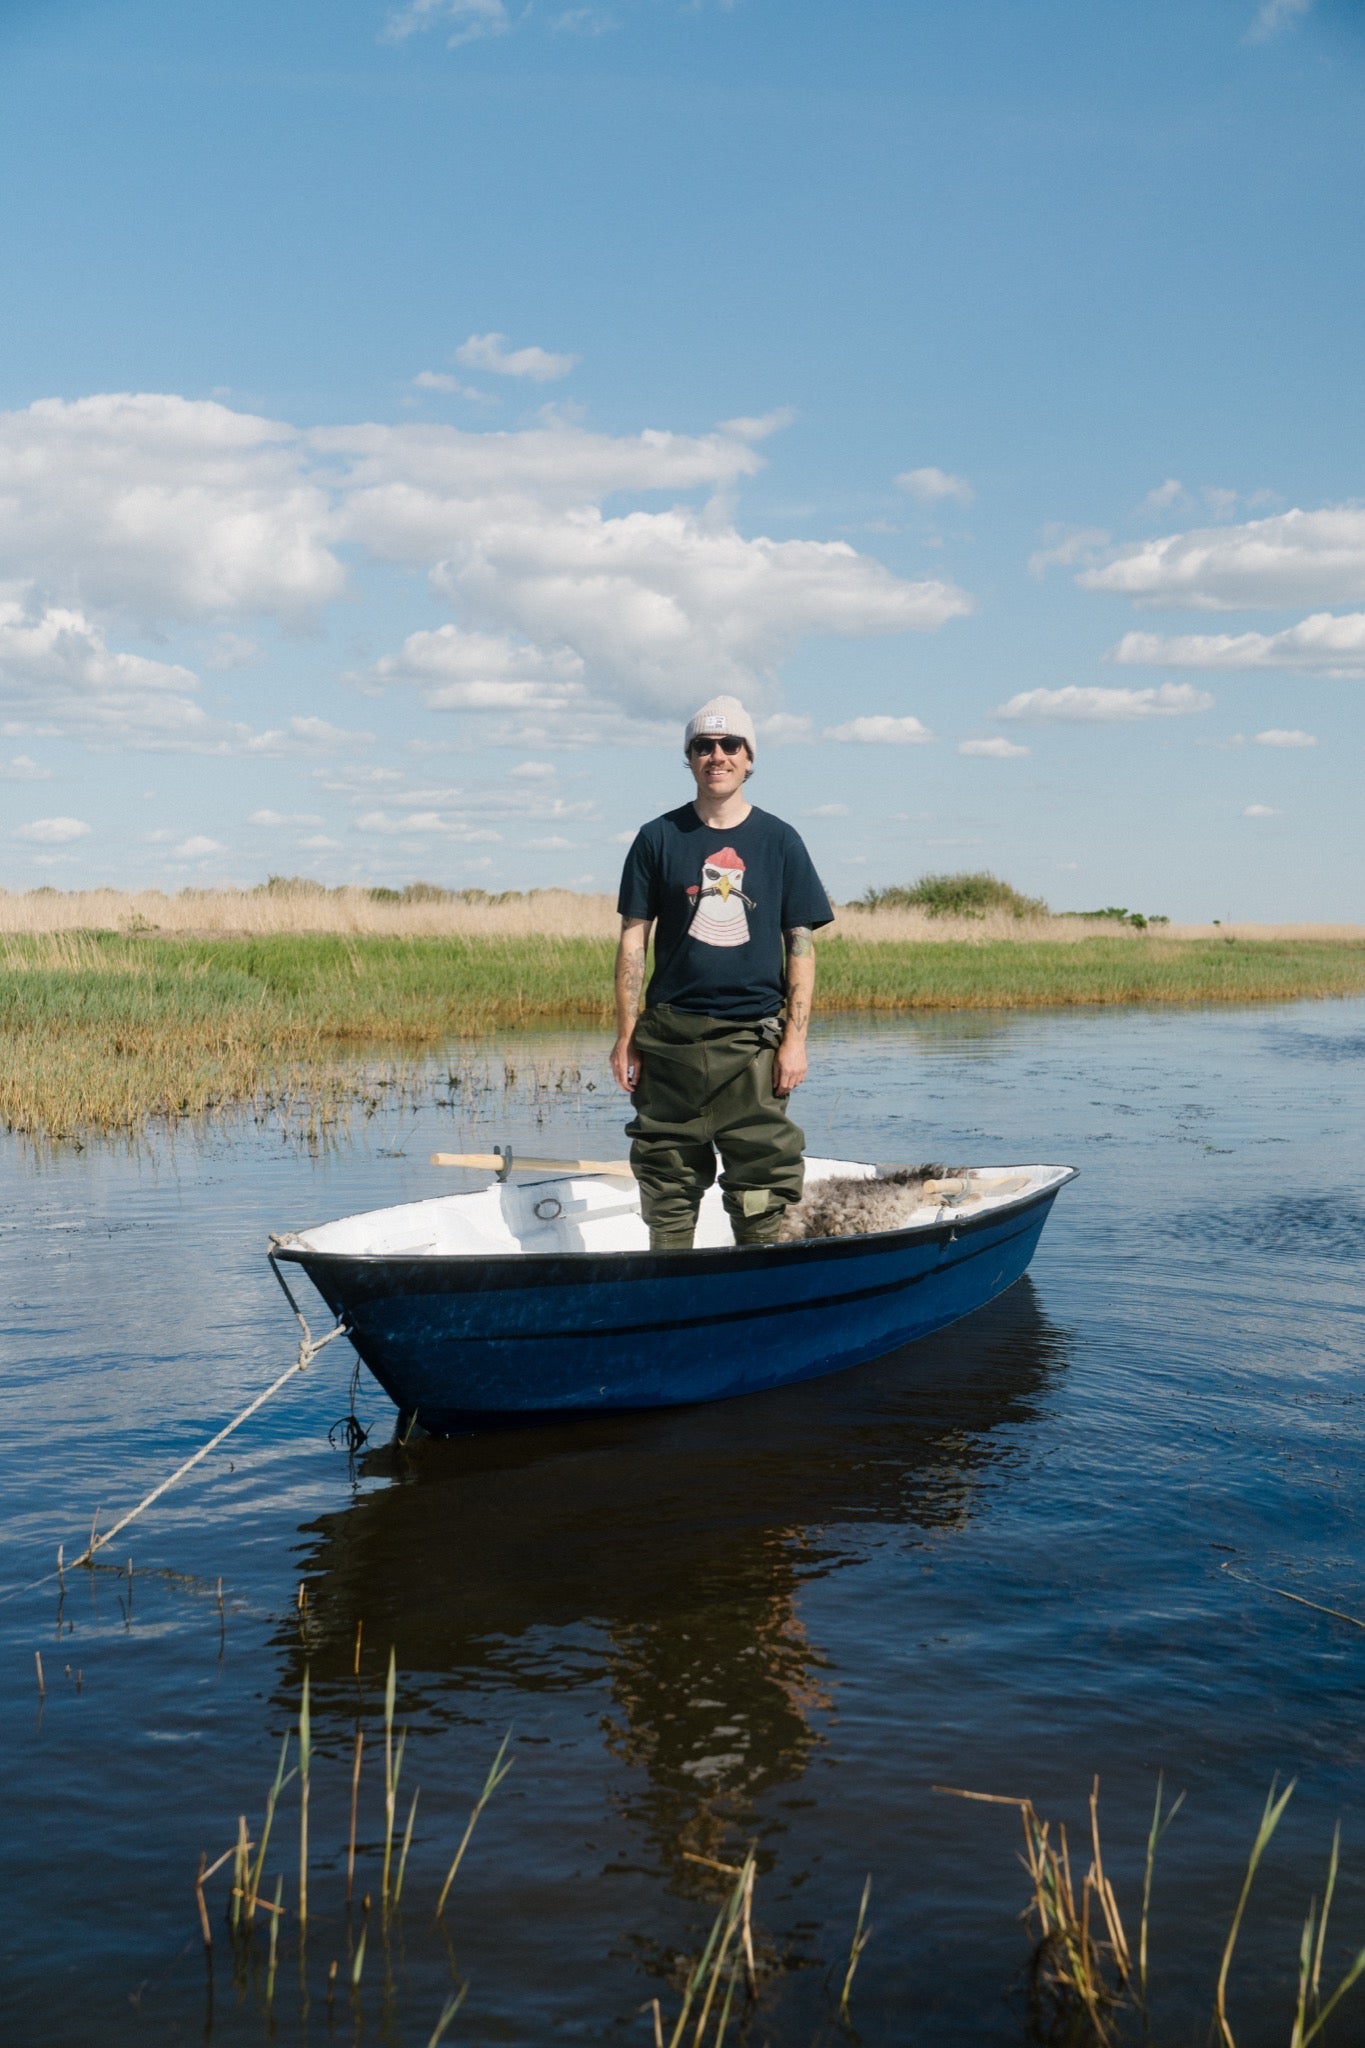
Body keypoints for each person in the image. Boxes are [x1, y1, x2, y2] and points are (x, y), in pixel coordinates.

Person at [611, 694, 834, 1250]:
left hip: (754, 1041)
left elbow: (800, 947)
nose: (717, 755)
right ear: (688, 758)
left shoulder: (780, 841)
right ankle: (670, 1295)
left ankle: (758, 1293)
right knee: (667, 1178)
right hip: (669, 1042)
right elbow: (633, 941)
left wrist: (795, 1042)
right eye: (703, 746)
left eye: (729, 745)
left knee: (763, 1178)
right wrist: (626, 1036)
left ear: (749, 757)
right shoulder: (657, 837)